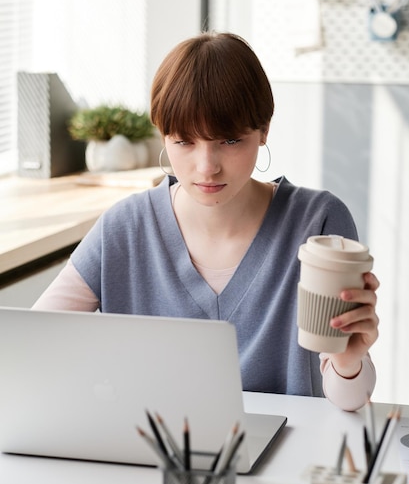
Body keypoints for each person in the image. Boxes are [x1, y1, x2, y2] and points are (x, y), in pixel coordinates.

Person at [33, 31, 379, 412]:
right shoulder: (125, 227)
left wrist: (348, 361)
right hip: (148, 454)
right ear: (163, 136)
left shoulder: (318, 223)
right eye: (184, 142)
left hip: (285, 456)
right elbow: (31, 348)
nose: (207, 167)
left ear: (263, 130)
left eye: (229, 141)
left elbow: (350, 401)